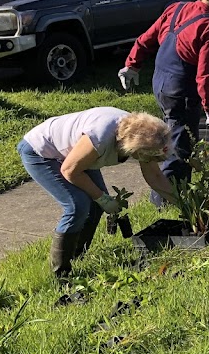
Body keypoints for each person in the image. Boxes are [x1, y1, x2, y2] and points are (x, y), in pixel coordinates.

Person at [17, 109, 174, 277]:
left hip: (75, 155)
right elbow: (70, 170)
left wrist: (181, 202)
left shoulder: (145, 134)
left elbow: (155, 176)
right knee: (77, 206)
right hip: (41, 152)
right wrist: (103, 198)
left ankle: (77, 256)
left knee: (95, 207)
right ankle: (60, 274)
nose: (147, 159)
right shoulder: (100, 137)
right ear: (134, 147)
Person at [118, 0, 209, 194]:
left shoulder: (176, 8)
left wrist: (132, 65)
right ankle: (166, 198)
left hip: (160, 84)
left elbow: (146, 38)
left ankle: (176, 190)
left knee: (167, 134)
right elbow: (206, 74)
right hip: (180, 91)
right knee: (179, 147)